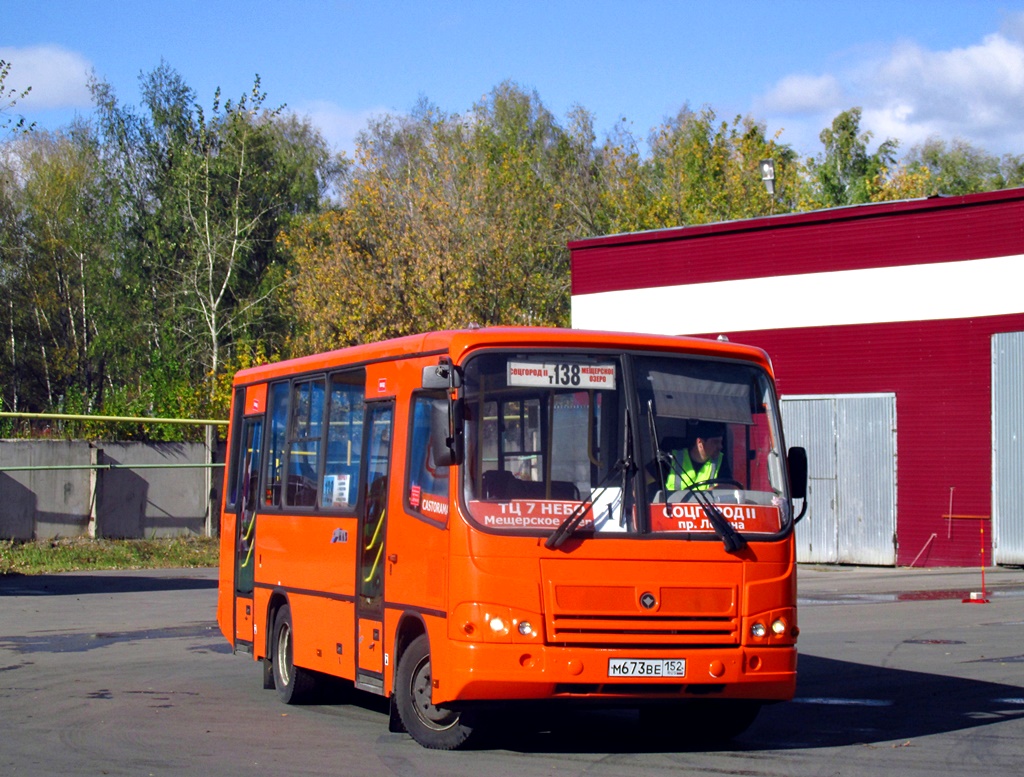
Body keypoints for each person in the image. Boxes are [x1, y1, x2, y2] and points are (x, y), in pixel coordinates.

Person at [665, 421, 726, 491]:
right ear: (700, 442)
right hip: (673, 502)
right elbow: (649, 477)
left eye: (720, 442)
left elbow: (728, 487)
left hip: (706, 502)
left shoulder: (720, 460)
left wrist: (712, 492)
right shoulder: (670, 458)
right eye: (715, 442)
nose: (720, 446)